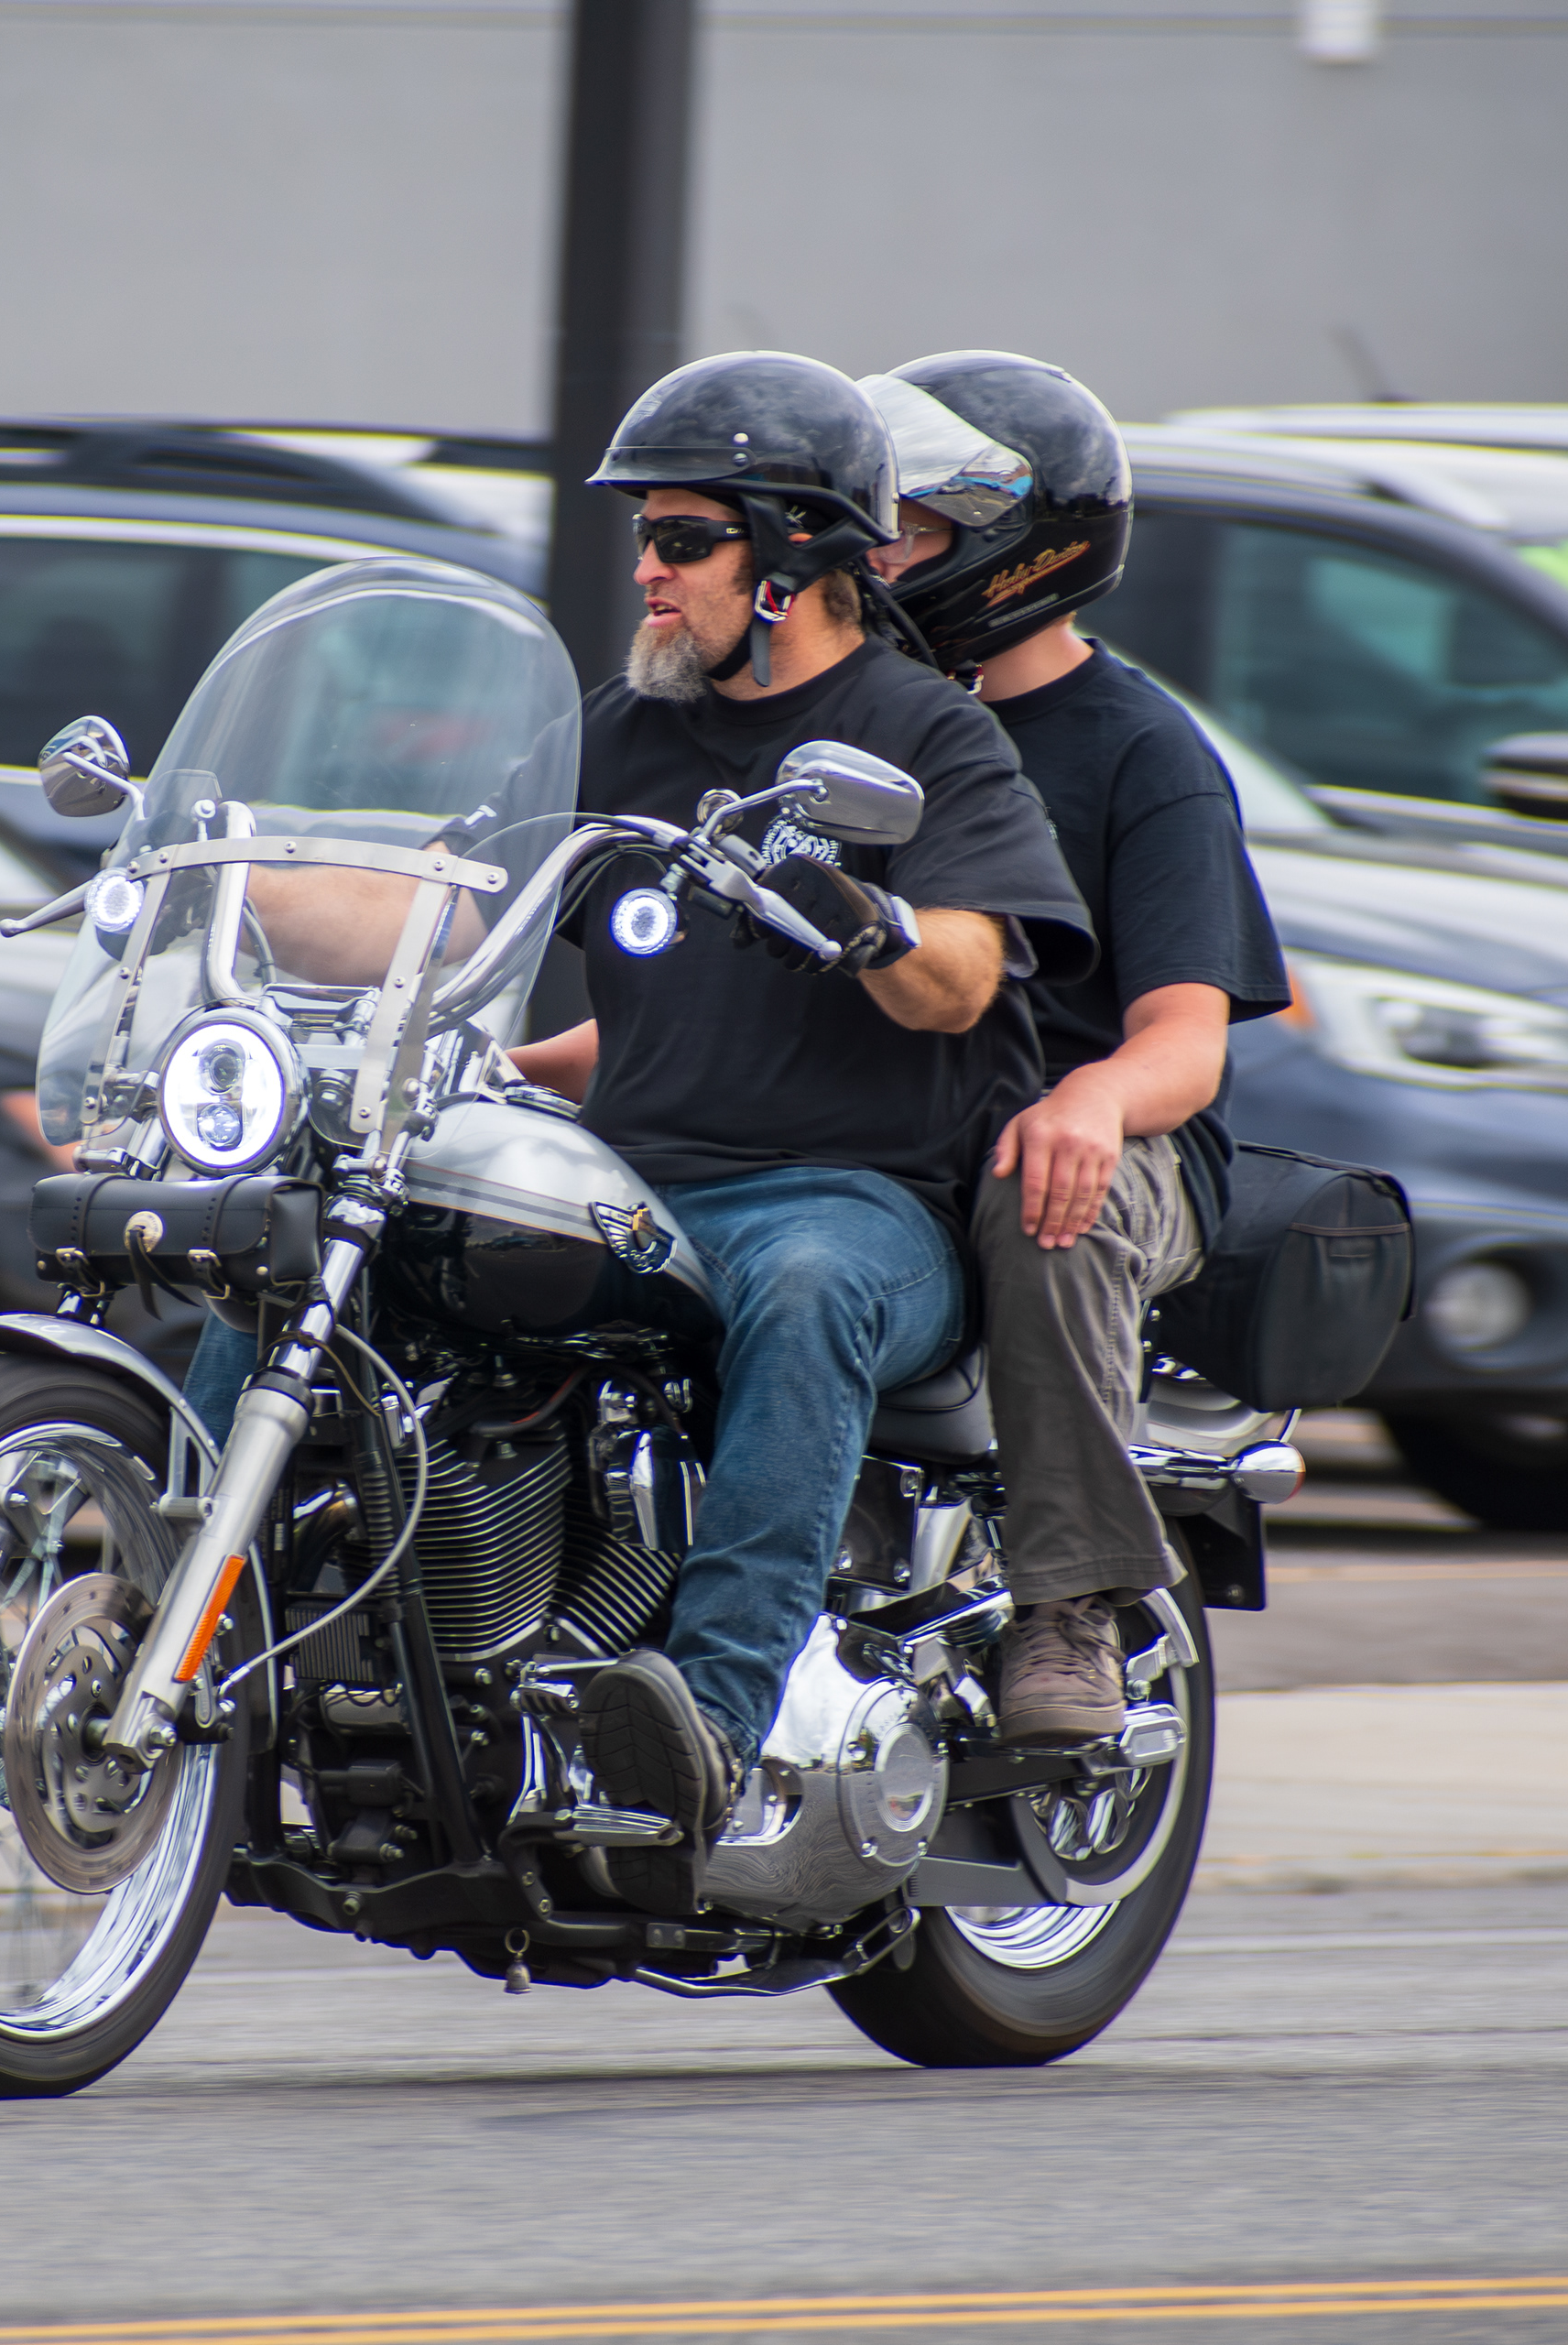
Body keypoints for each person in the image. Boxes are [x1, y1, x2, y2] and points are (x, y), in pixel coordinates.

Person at [498, 352, 1095, 1910]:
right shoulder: (622, 733)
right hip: (627, 1186)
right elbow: (446, 892)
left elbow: (965, 983)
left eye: (683, 539)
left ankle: (700, 1721)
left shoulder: (928, 739)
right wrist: (225, 857)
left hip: (852, 1202)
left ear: (793, 559)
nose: (646, 569)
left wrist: (854, 906)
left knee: (807, 1286)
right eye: (645, 537)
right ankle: (205, 1619)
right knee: (346, 1229)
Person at [856, 352, 1290, 1745]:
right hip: (890, 1113)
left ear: (1008, 543)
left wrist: (1095, 1100)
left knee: (1046, 1196)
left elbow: (1184, 1040)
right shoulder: (852, 723)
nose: (870, 557)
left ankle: (1074, 1604)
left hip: (1105, 1143)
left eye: (904, 529)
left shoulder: (1138, 750)